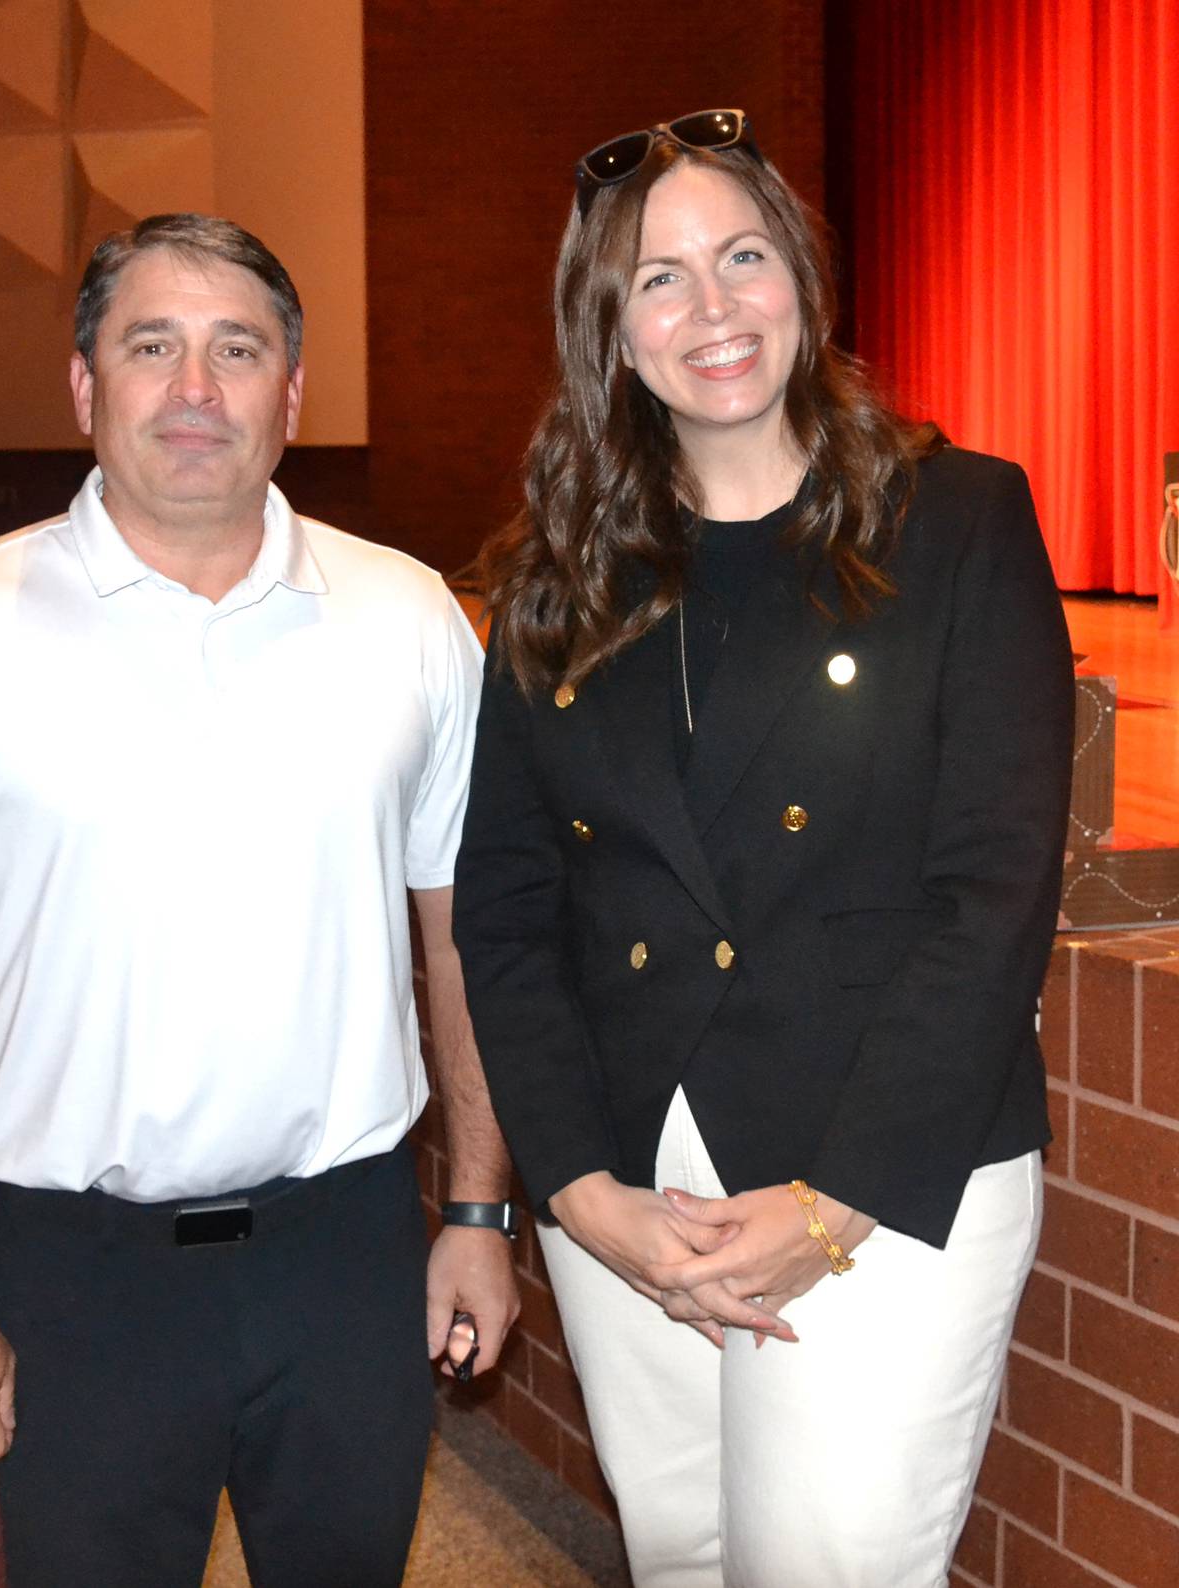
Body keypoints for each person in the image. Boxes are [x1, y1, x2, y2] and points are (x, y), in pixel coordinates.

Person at [0, 213, 519, 1588]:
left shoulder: (412, 621)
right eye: (153, 348)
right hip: (79, 1283)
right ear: (85, 387)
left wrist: (477, 1214)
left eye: (237, 351)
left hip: (347, 1253)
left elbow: (465, 939)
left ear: (290, 396)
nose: (197, 390)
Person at [451, 111, 1073, 1588]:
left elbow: (992, 897)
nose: (712, 308)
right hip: (633, 1184)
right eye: (658, 281)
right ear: (608, 331)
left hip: (876, 1167)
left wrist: (831, 1202)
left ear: (802, 275)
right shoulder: (557, 577)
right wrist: (581, 1192)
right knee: (682, 1559)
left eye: (741, 257)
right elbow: (509, 909)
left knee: (827, 1568)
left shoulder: (959, 522)